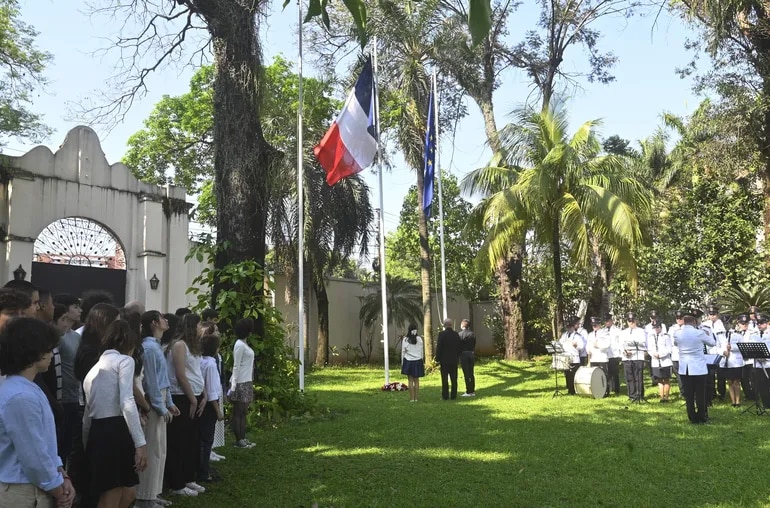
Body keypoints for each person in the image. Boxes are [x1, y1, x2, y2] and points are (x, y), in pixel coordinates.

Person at [0, 318, 75, 508]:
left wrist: (62, 475)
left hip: (35, 487)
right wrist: (59, 490)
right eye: (49, 349)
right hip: (22, 491)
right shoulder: (20, 396)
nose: (51, 354)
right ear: (34, 352)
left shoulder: (29, 388)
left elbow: (46, 445)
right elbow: (34, 456)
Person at [82, 320, 148, 508]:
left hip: (98, 432)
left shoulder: (92, 371)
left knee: (127, 493)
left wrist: (87, 445)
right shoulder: (125, 361)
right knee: (111, 496)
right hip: (115, 431)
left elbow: (87, 416)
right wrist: (141, 443)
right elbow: (127, 400)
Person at [136, 311, 179, 508]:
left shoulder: (155, 346)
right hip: (154, 402)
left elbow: (163, 380)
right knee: (152, 449)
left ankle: (154, 492)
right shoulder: (150, 348)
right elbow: (151, 382)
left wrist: (168, 401)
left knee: (160, 449)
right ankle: (145, 496)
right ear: (154, 323)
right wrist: (161, 407)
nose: (166, 320)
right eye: (162, 318)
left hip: (160, 398)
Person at [165, 313, 207, 497]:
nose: (201, 328)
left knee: (192, 440)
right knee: (179, 441)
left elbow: (196, 371)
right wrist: (192, 398)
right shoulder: (179, 345)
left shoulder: (193, 346)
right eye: (199, 325)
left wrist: (203, 394)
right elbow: (181, 374)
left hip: (196, 396)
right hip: (182, 397)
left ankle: (189, 477)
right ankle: (176, 483)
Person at [675, 311, 716, 424]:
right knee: (700, 394)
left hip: (685, 368)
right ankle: (701, 417)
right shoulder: (699, 333)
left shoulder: (677, 333)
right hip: (698, 368)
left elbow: (675, 343)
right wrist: (707, 334)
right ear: (694, 321)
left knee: (689, 395)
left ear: (683, 321)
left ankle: (692, 417)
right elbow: (712, 343)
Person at [198, 334, 224, 484]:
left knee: (200, 438)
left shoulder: (200, 361)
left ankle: (200, 468)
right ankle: (204, 471)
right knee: (207, 440)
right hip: (209, 405)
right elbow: (213, 390)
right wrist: (218, 411)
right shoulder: (211, 365)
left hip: (200, 400)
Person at [229, 318, 256, 448]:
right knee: (238, 412)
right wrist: (234, 385)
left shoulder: (244, 344)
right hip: (240, 382)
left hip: (246, 381)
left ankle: (243, 437)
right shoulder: (239, 345)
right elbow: (236, 365)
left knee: (243, 412)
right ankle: (239, 439)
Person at [720, 314, 747, 407]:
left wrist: (732, 348)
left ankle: (738, 401)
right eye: (724, 323)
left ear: (731, 323)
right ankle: (733, 401)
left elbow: (742, 347)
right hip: (726, 361)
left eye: (727, 323)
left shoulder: (737, 335)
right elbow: (717, 346)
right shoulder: (721, 334)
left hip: (735, 361)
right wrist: (722, 352)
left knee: (736, 381)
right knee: (729, 382)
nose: (726, 325)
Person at [621, 312, 647, 402]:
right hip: (627, 357)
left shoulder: (641, 331)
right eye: (629, 321)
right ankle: (631, 395)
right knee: (629, 377)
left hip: (638, 357)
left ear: (635, 320)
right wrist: (625, 352)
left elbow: (644, 343)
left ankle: (639, 394)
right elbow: (620, 345)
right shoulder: (623, 332)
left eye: (632, 320)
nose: (631, 323)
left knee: (638, 377)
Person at [436, 318, 461, 400]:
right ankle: (454, 395)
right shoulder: (456, 334)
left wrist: (437, 358)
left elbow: (439, 347)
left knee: (444, 378)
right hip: (454, 360)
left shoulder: (442, 334)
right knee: (454, 379)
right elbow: (459, 348)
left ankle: (445, 396)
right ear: (451, 325)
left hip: (444, 360)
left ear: (444, 325)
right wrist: (457, 357)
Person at [647, 322, 673, 402]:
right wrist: (653, 354)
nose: (656, 329)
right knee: (659, 380)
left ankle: (666, 397)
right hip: (655, 361)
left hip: (665, 361)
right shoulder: (651, 337)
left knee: (666, 380)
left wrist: (661, 355)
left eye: (657, 327)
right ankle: (661, 397)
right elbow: (649, 349)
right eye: (654, 328)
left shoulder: (666, 337)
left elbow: (669, 349)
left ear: (661, 327)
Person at [558, 318, 584, 395]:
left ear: (573, 327)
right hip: (566, 357)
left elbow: (582, 347)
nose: (569, 328)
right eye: (568, 327)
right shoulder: (564, 335)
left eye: (570, 327)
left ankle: (575, 390)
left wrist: (576, 345)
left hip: (574, 358)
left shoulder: (577, 336)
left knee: (574, 375)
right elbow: (560, 343)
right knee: (567, 375)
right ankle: (569, 390)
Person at [400, 323, 425, 402]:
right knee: (416, 380)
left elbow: (403, 351)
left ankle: (411, 398)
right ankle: (416, 398)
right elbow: (421, 351)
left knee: (410, 380)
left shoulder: (405, 339)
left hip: (408, 361)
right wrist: (422, 359)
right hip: (417, 360)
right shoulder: (419, 339)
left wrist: (402, 362)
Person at [587, 317, 611, 397]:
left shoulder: (605, 333)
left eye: (596, 325)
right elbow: (588, 345)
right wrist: (588, 350)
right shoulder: (590, 334)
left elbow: (607, 344)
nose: (594, 326)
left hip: (602, 357)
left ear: (600, 324)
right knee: (595, 376)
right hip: (593, 358)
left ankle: (606, 391)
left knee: (603, 376)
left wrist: (598, 345)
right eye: (593, 325)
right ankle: (597, 391)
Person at [604, 315, 622, 395]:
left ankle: (616, 388)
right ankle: (610, 387)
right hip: (606, 354)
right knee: (608, 372)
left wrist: (620, 354)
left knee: (614, 372)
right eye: (605, 321)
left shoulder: (617, 330)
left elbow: (620, 342)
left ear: (611, 321)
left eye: (608, 321)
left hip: (614, 354)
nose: (606, 323)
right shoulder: (603, 331)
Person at [668, 310, 685, 394]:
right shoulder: (672, 329)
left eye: (680, 318)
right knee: (678, 374)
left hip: (685, 355)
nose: (679, 320)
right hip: (675, 355)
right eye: (677, 318)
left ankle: (688, 390)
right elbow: (669, 342)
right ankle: (682, 391)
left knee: (686, 374)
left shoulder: (687, 328)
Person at [458, 319, 476, 397]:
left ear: (462, 325)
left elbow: (458, 345)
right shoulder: (472, 334)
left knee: (466, 373)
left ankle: (468, 391)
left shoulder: (460, 334)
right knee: (471, 373)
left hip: (464, 354)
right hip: (471, 354)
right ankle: (472, 390)